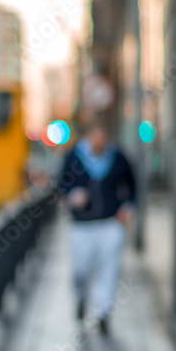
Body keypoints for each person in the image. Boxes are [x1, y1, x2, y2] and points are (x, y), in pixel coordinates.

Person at [56, 120, 136, 334]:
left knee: (109, 268)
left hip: (110, 224)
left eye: (103, 136)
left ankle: (103, 313)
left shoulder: (117, 157)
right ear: (89, 135)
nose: (99, 140)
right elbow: (61, 184)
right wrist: (72, 195)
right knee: (81, 269)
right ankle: (80, 298)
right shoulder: (73, 156)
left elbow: (131, 184)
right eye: (96, 135)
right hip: (81, 226)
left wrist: (127, 206)